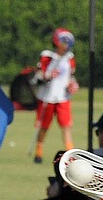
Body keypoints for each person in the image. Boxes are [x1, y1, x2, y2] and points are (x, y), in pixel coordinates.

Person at [32, 28, 79, 164]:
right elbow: (39, 75)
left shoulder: (70, 58)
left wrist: (73, 84)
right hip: (47, 97)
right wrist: (47, 76)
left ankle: (70, 154)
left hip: (63, 97)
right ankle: (39, 152)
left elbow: (70, 76)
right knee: (44, 127)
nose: (65, 45)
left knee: (66, 126)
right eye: (63, 41)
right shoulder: (47, 56)